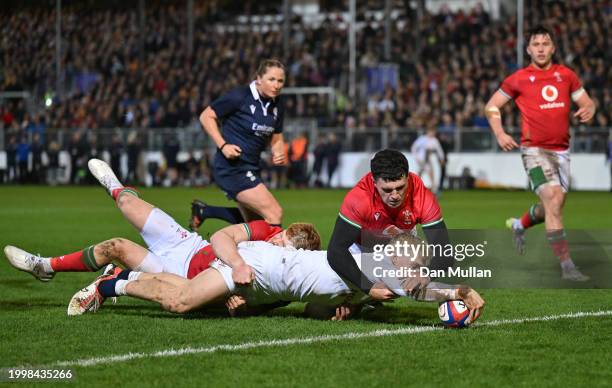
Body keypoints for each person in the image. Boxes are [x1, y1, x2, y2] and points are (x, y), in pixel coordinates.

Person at [3, 159, 320, 296]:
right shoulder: (266, 230)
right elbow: (229, 236)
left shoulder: (281, 277)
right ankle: (115, 187)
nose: (275, 241)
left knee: (116, 247)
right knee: (128, 204)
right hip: (191, 245)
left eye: (281, 245)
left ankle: (45, 266)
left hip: (179, 274)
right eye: (279, 237)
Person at [67, 231, 485, 323]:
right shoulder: (380, 264)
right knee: (180, 303)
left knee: (185, 297)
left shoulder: (374, 272)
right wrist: (463, 291)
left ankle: (117, 279)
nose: (413, 266)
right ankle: (111, 285)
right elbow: (422, 292)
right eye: (412, 259)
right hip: (265, 267)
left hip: (272, 280)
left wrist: (347, 309)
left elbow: (315, 306)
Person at [484, 25, 596, 281]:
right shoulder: (518, 79)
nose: (541, 49)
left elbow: (587, 101)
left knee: (552, 207)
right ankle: (568, 267)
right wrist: (500, 133)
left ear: (553, 48)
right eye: (536, 44)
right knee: (553, 198)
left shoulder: (567, 75)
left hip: (562, 153)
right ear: (528, 49)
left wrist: (590, 108)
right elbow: (492, 106)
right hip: (533, 152)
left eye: (546, 44)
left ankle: (519, 224)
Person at [326, 149, 454, 302]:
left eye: (400, 187)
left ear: (408, 178)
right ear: (374, 182)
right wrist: (369, 288)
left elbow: (445, 251)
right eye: (387, 190)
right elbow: (336, 251)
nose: (394, 195)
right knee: (323, 309)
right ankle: (362, 301)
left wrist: (426, 273)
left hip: (400, 249)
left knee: (413, 282)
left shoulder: (422, 196)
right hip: (362, 250)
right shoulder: (359, 198)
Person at [190, 59, 287, 231]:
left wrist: (278, 150)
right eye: (272, 79)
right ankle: (277, 257)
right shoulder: (240, 96)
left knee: (256, 225)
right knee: (274, 213)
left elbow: (277, 136)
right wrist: (224, 145)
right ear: (259, 79)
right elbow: (206, 116)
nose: (277, 85)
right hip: (232, 169)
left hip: (250, 167)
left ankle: (205, 211)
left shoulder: (278, 104)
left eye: (280, 81)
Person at [410, 127, 445, 194]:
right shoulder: (422, 139)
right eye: (431, 132)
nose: (433, 133)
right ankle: (415, 187)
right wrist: (416, 157)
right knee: (420, 172)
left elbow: (439, 150)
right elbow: (414, 147)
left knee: (430, 172)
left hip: (428, 159)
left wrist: (442, 158)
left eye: (434, 132)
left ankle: (433, 188)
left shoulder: (435, 140)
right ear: (428, 132)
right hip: (421, 159)